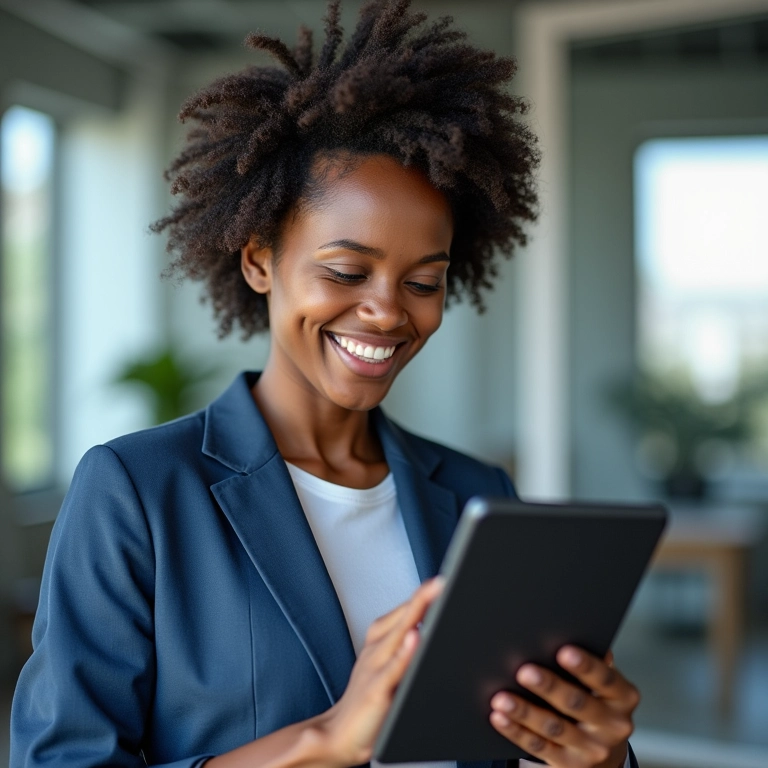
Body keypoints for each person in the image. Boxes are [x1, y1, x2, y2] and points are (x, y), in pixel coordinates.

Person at [11, 2, 641, 767]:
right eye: (346, 272)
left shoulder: (481, 495)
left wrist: (595, 754)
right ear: (258, 261)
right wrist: (318, 742)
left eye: (424, 281)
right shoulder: (139, 491)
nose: (386, 312)